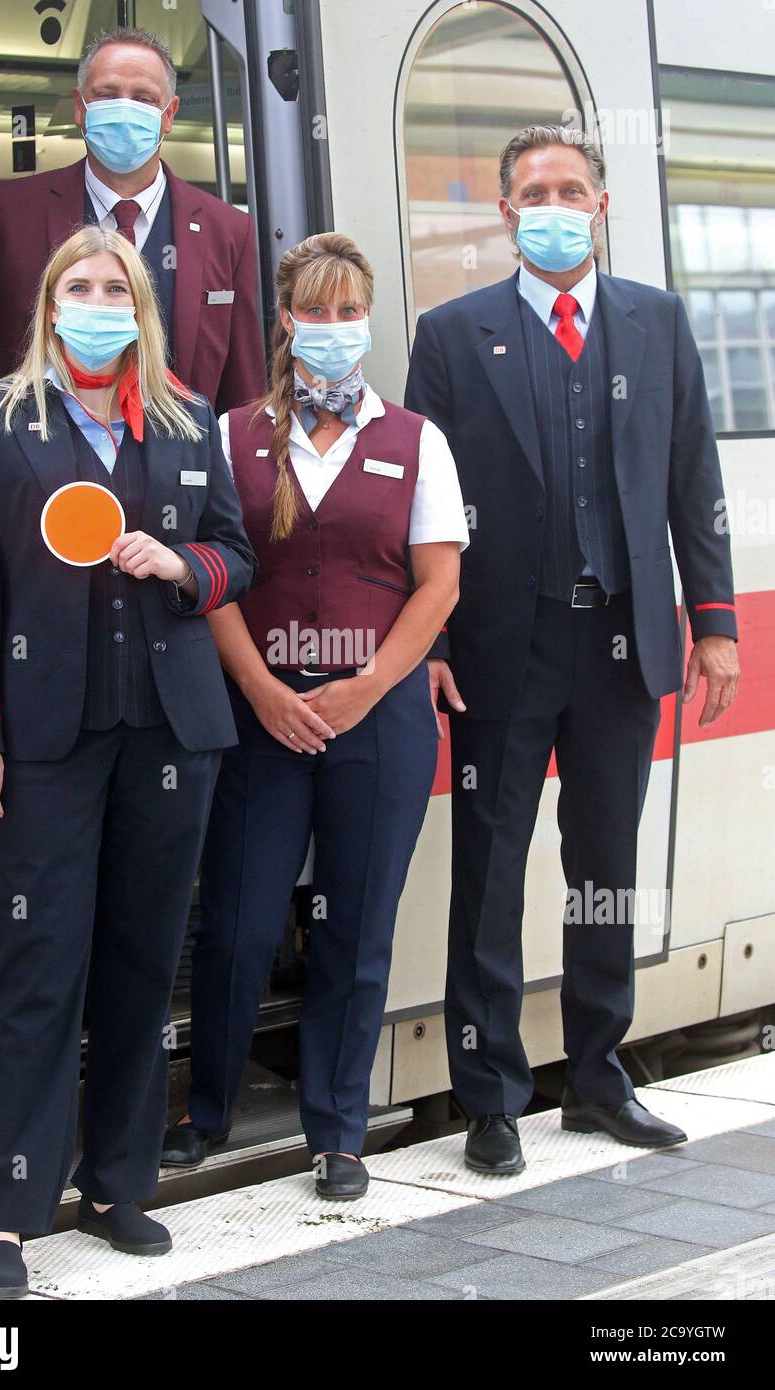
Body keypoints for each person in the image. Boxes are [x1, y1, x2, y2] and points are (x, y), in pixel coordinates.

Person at [406, 124, 739, 1175]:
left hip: (621, 642)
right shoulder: (450, 336)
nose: (552, 204)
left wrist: (715, 623)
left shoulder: (656, 321)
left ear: (598, 203)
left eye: (570, 188)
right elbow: (424, 511)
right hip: (503, 643)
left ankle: (597, 1075)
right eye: (531, 190)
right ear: (505, 211)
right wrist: (429, 642)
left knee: (604, 867)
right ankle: (490, 1097)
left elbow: (694, 481)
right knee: (490, 870)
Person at [0, 225, 257, 1298]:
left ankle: (117, 1186)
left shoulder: (186, 419)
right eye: (76, 285)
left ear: (140, 306)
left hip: (170, 733)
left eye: (112, 286)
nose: (94, 300)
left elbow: (234, 551)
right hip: (44, 742)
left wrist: (184, 564)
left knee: (138, 961)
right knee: (36, 971)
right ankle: (7, 1217)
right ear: (46, 303)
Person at [161, 232, 468, 1199]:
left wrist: (360, 689)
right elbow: (212, 579)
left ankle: (337, 1132)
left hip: (375, 719)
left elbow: (439, 586)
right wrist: (263, 692)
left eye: (348, 312)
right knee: (240, 926)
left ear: (366, 320)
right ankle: (205, 1113)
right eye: (314, 311)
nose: (331, 329)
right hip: (260, 715)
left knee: (355, 925)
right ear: (284, 320)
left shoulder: (417, 439)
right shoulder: (231, 434)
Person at [0, 25, 265, 413]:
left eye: (144, 99)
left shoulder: (228, 229)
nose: (125, 110)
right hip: (46, 461)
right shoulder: (13, 211)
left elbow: (244, 387)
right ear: (80, 107)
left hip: (178, 464)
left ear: (169, 115)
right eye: (107, 95)